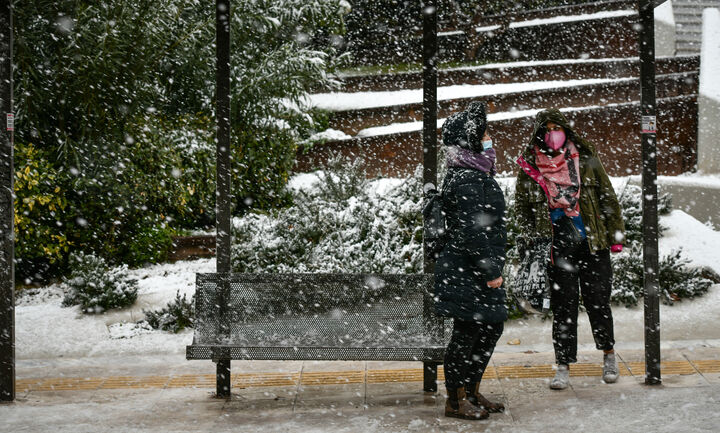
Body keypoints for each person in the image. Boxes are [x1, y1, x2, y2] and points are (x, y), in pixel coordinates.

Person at [514, 108, 626, 390]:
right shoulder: (530, 166)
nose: (554, 134)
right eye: (548, 128)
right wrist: (532, 239)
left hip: (592, 244)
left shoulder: (586, 159)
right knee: (564, 309)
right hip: (556, 248)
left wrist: (616, 235)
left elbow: (607, 196)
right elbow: (522, 209)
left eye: (558, 127)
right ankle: (563, 365)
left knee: (598, 302)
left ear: (566, 130)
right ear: (539, 133)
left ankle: (609, 355)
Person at [434, 101, 507, 420]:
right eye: (486, 134)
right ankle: (456, 399)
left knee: (490, 326)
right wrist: (490, 270)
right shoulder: (466, 177)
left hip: (473, 268)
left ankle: (471, 390)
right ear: (472, 142)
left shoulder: (473, 172)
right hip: (468, 270)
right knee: (467, 332)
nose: (491, 138)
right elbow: (470, 230)